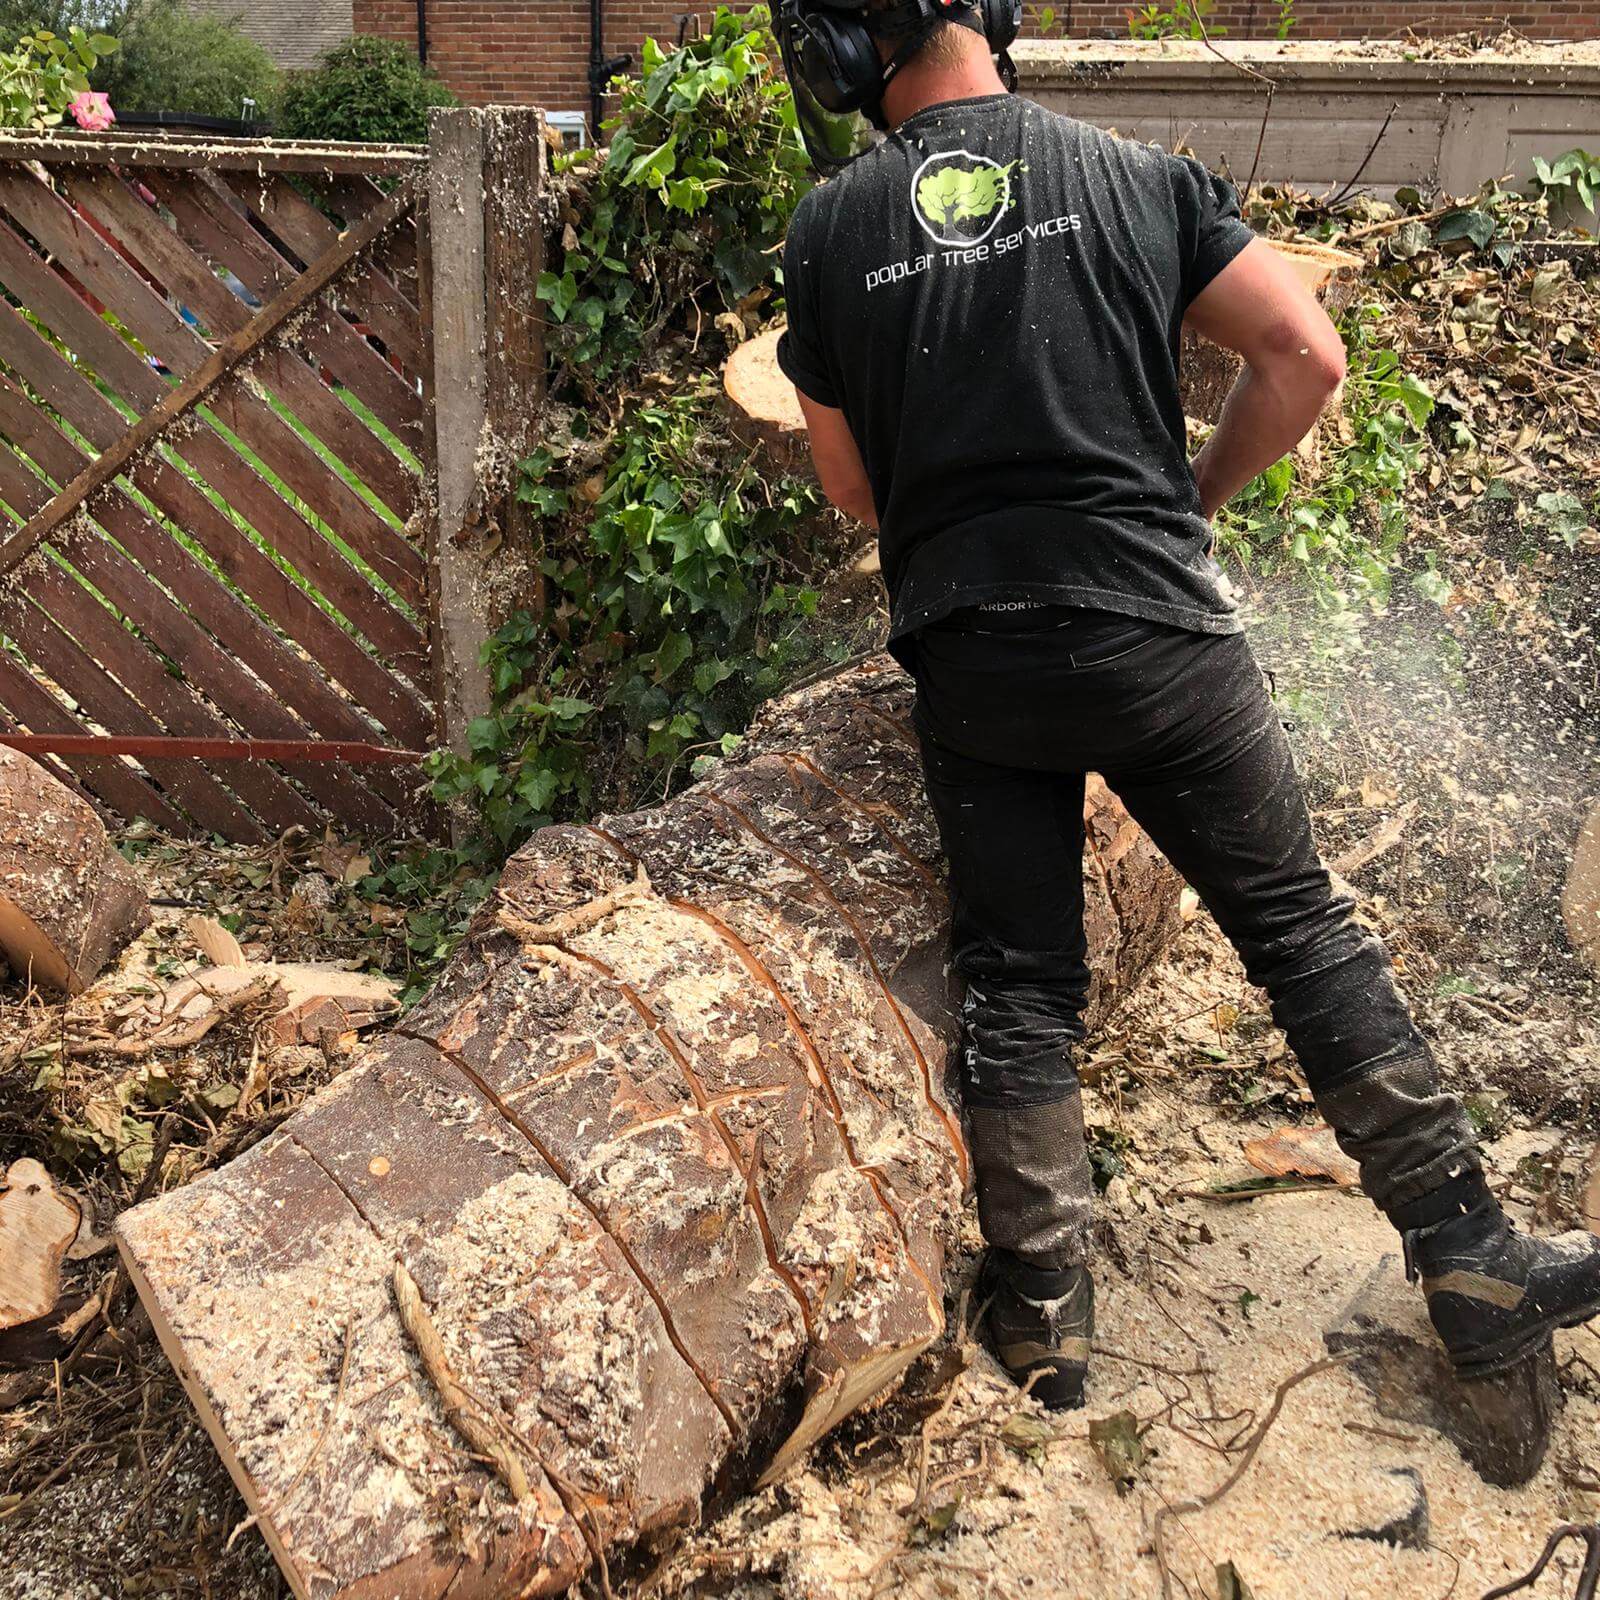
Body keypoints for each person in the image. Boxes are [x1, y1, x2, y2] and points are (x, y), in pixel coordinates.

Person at [772, 0, 1600, 1411]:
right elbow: (1305, 358)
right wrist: (1188, 506)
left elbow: (851, 490)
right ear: (994, 18)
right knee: (1296, 929)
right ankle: (1465, 1252)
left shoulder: (828, 230)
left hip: (973, 654)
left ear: (846, 57)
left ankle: (1047, 1319)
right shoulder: (1135, 175)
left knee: (1019, 984)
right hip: (1159, 632)